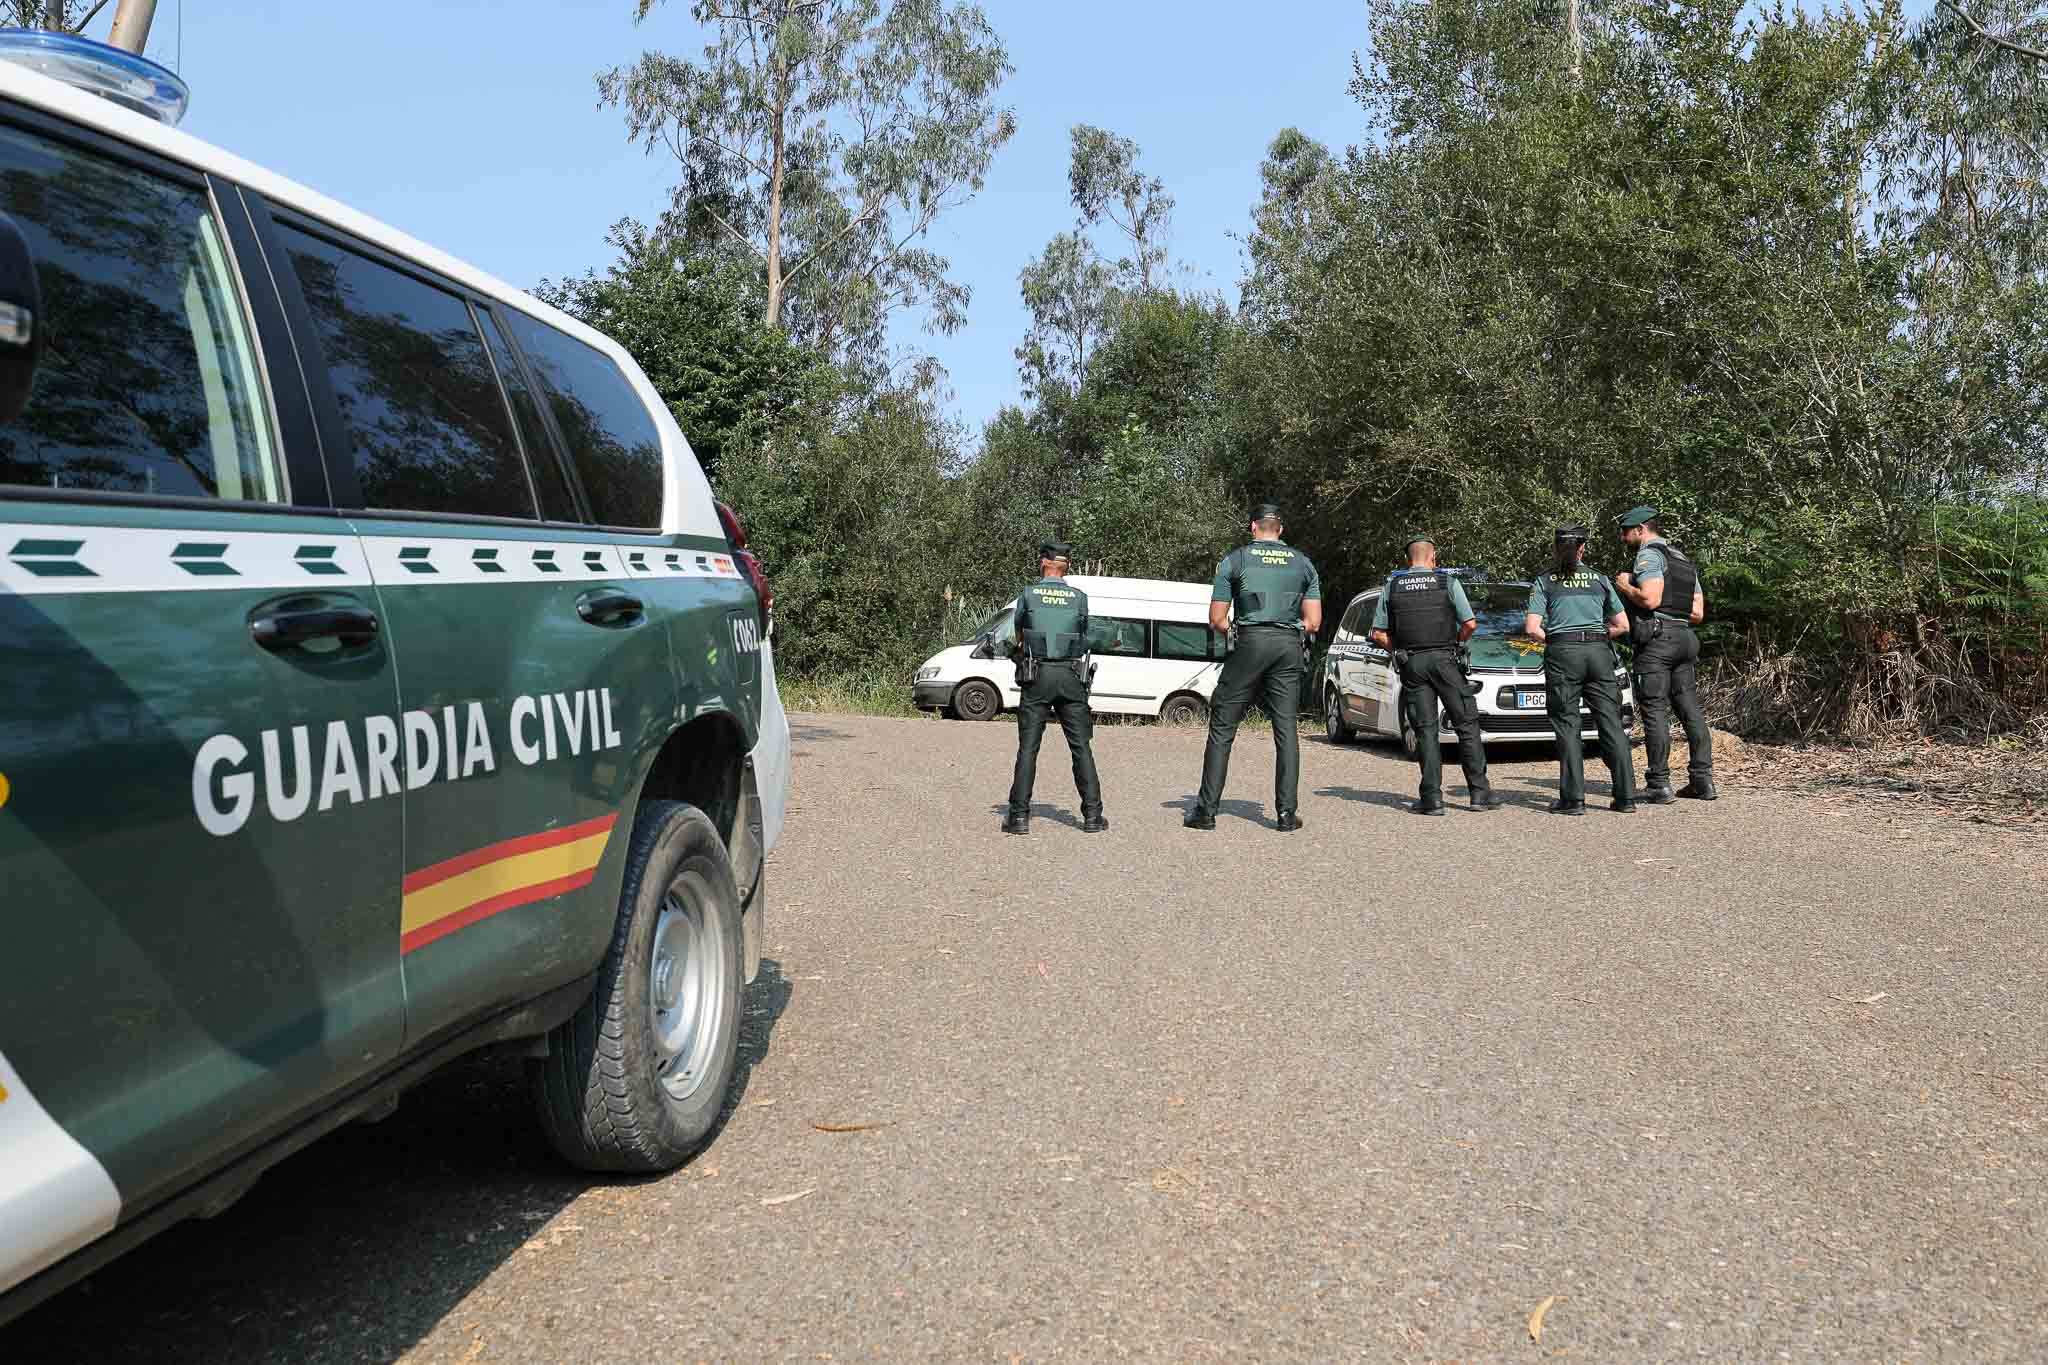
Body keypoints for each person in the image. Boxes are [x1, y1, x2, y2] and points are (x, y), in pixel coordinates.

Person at [1186, 503, 1322, 832]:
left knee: (1222, 728)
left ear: (1253, 528)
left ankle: (1206, 812)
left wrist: (1236, 630)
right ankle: (1287, 815)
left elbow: (1217, 618)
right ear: (1281, 529)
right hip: (1288, 646)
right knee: (1286, 731)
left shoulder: (1235, 560)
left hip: (1249, 642)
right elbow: (1313, 622)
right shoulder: (1304, 564)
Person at [1367, 536, 1502, 815]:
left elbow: (1378, 633)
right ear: (1433, 558)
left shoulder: (1392, 587)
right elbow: (1470, 623)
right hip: (1445, 661)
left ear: (1408, 560)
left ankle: (1432, 799)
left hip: (1413, 664)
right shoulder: (1447, 583)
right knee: (1466, 723)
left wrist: (1400, 650)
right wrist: (1456, 643)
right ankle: (1479, 794)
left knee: (1425, 730)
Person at [1523, 525, 1637, 815]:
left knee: (1567, 725)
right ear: (1583, 548)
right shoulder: (1599, 579)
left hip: (1563, 655)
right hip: (1599, 654)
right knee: (1611, 723)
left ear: (1555, 548)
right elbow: (1623, 625)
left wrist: (1561, 639)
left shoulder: (1545, 581)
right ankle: (1625, 798)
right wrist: (1596, 636)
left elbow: (1532, 628)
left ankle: (1573, 800)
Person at [1003, 539, 1106, 836]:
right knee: (1081, 747)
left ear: (1043, 563)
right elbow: (1085, 635)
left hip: (1037, 677)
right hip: (1071, 676)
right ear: (1066, 565)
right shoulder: (1079, 597)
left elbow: (1017, 635)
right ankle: (1093, 816)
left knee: (1028, 749)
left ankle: (1019, 817)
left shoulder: (1029, 594)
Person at [1613, 505, 1715, 802]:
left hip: (1658, 642)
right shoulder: (1683, 560)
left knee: (1655, 711)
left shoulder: (1649, 555)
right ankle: (1702, 780)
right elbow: (1697, 613)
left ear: (1641, 529)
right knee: (1690, 710)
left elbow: (1650, 597)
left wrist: (1624, 585)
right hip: (1685, 637)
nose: (1623, 537)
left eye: (1625, 531)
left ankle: (1659, 783)